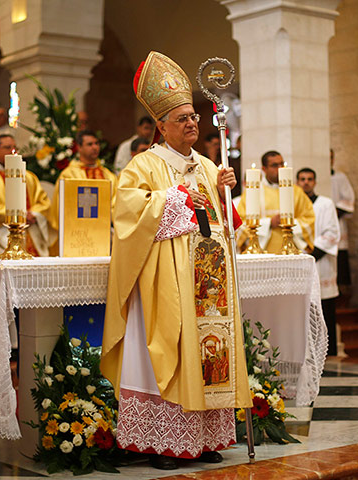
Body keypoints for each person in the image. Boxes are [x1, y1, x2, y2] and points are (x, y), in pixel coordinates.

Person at [100, 51, 251, 470]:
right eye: (181, 118)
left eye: (193, 117)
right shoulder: (142, 165)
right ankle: (163, 443)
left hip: (206, 282)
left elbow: (222, 223)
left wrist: (224, 192)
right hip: (163, 282)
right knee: (168, 351)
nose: (191, 123)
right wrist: (178, 197)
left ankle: (203, 438)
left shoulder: (206, 164)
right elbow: (128, 214)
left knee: (207, 355)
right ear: (160, 126)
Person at [297, 167, 341, 356]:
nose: (306, 182)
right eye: (302, 179)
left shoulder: (326, 203)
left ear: (314, 182)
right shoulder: (293, 204)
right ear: (297, 182)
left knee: (325, 307)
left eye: (309, 179)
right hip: (300, 262)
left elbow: (332, 231)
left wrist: (313, 252)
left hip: (321, 261)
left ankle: (328, 352)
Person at [235, 150, 315, 254]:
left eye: (281, 164)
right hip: (262, 251)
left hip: (291, 251)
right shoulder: (253, 191)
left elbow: (309, 219)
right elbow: (241, 223)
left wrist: (288, 222)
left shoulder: (296, 192)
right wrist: (269, 223)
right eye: (274, 165)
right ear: (264, 169)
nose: (280, 168)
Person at [47, 130, 117, 234]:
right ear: (79, 147)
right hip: (77, 232)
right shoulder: (69, 175)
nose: (95, 147)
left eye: (96, 143)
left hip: (104, 230)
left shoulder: (108, 176)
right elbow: (61, 207)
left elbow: (116, 204)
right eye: (89, 144)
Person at [330, 149, 356, 302]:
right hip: (320, 229)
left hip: (337, 224)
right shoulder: (316, 177)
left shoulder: (340, 178)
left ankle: (343, 296)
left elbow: (348, 199)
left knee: (341, 262)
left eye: (330, 157)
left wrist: (331, 213)